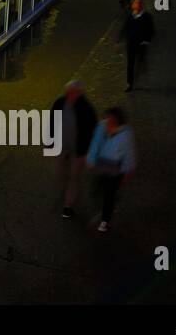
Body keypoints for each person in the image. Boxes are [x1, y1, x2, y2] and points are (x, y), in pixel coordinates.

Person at [52, 80, 98, 218]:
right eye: (68, 92)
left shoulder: (87, 108)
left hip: (79, 150)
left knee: (74, 177)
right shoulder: (60, 103)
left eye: (72, 93)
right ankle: (69, 193)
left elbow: (92, 131)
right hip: (62, 146)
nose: (69, 95)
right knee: (61, 173)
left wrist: (88, 152)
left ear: (79, 93)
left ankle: (68, 205)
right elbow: (52, 122)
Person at [87, 107, 137, 232]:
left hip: (115, 168)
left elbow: (129, 154)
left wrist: (127, 172)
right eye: (106, 118)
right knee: (96, 189)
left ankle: (105, 221)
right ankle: (112, 201)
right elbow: (95, 142)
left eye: (109, 119)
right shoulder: (102, 126)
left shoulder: (126, 134)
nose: (106, 121)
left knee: (108, 195)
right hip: (102, 165)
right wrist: (91, 159)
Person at [122, 0, 154, 92]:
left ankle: (143, 81)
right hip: (131, 44)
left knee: (141, 63)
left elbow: (151, 30)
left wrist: (146, 41)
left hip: (141, 45)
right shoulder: (130, 16)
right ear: (133, 5)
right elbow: (124, 29)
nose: (137, 5)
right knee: (130, 64)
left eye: (139, 3)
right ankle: (130, 84)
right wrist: (122, 40)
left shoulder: (147, 16)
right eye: (136, 3)